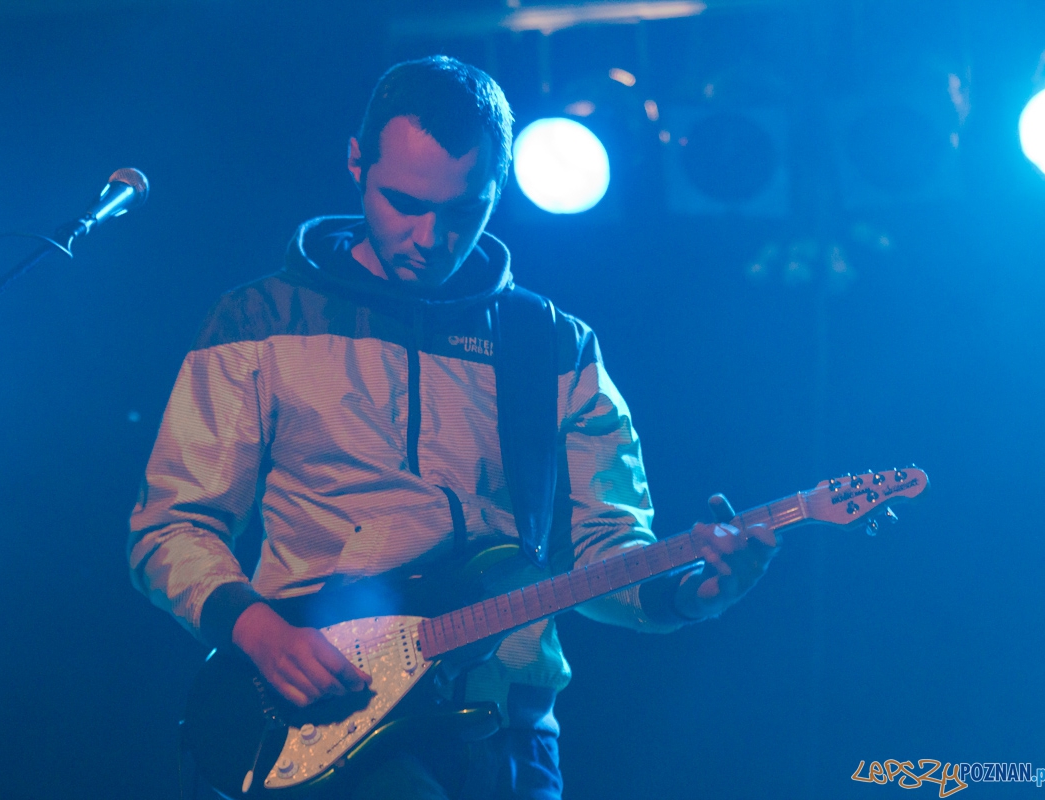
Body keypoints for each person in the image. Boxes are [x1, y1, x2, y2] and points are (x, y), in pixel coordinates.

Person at [128, 55, 778, 800]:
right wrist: (259, 632)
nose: (429, 238)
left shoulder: (554, 346)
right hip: (324, 717)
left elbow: (605, 556)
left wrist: (694, 592)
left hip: (506, 731)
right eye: (404, 202)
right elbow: (170, 527)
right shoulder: (258, 323)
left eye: (464, 211)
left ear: (499, 188)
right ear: (355, 163)